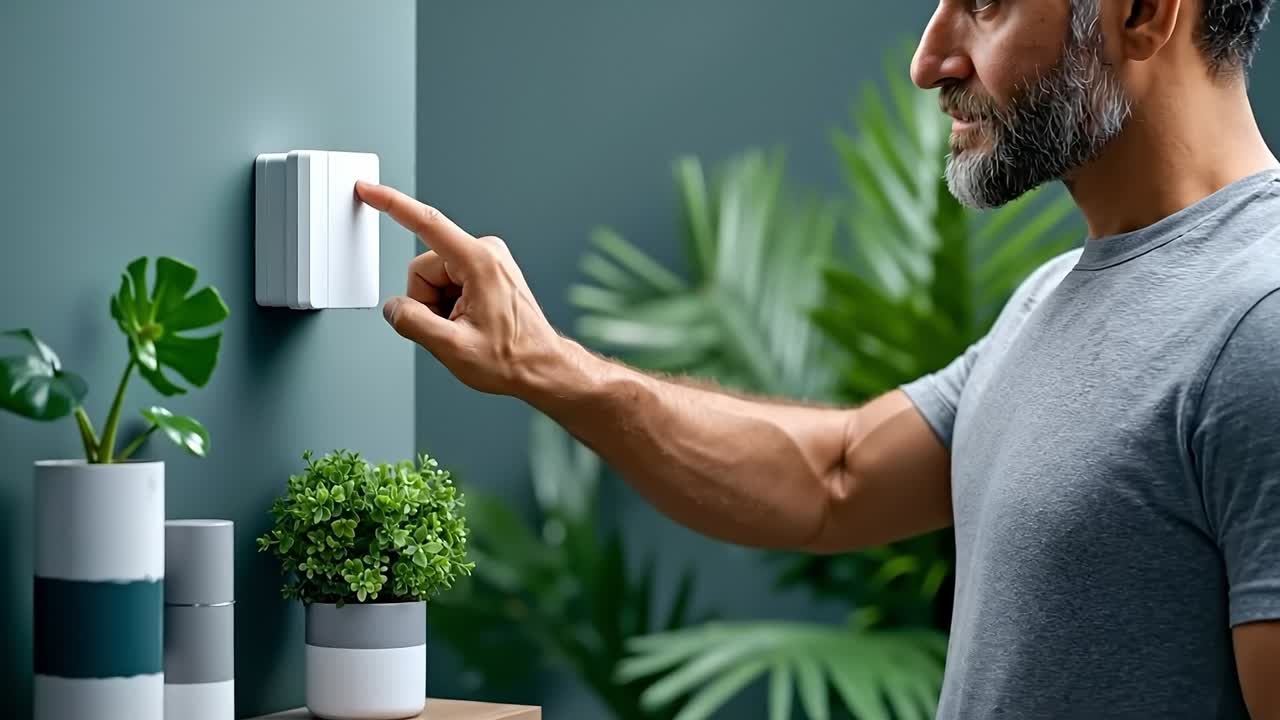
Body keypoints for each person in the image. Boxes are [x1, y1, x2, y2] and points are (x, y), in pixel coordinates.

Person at [357, 0, 1280, 717]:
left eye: (985, 5)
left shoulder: (1258, 323)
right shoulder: (1052, 297)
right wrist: (546, 364)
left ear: (1144, 12)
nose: (929, 60)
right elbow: (834, 478)